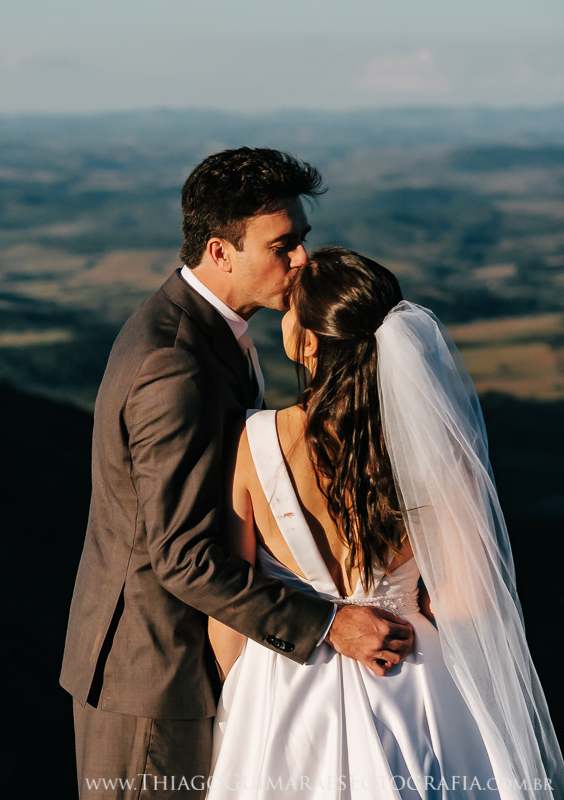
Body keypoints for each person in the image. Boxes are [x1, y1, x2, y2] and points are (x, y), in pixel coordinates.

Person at [60, 149, 415, 799]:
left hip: (199, 666)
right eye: (283, 246)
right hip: (156, 684)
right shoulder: (177, 367)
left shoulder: (211, 332)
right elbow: (183, 559)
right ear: (221, 252)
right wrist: (334, 625)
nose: (303, 259)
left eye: (302, 240)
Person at [207, 247, 563, 798]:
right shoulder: (439, 452)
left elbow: (231, 610)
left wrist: (247, 692)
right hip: (410, 675)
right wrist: (417, 602)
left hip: (285, 679)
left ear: (308, 342)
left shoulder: (252, 443)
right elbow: (469, 603)